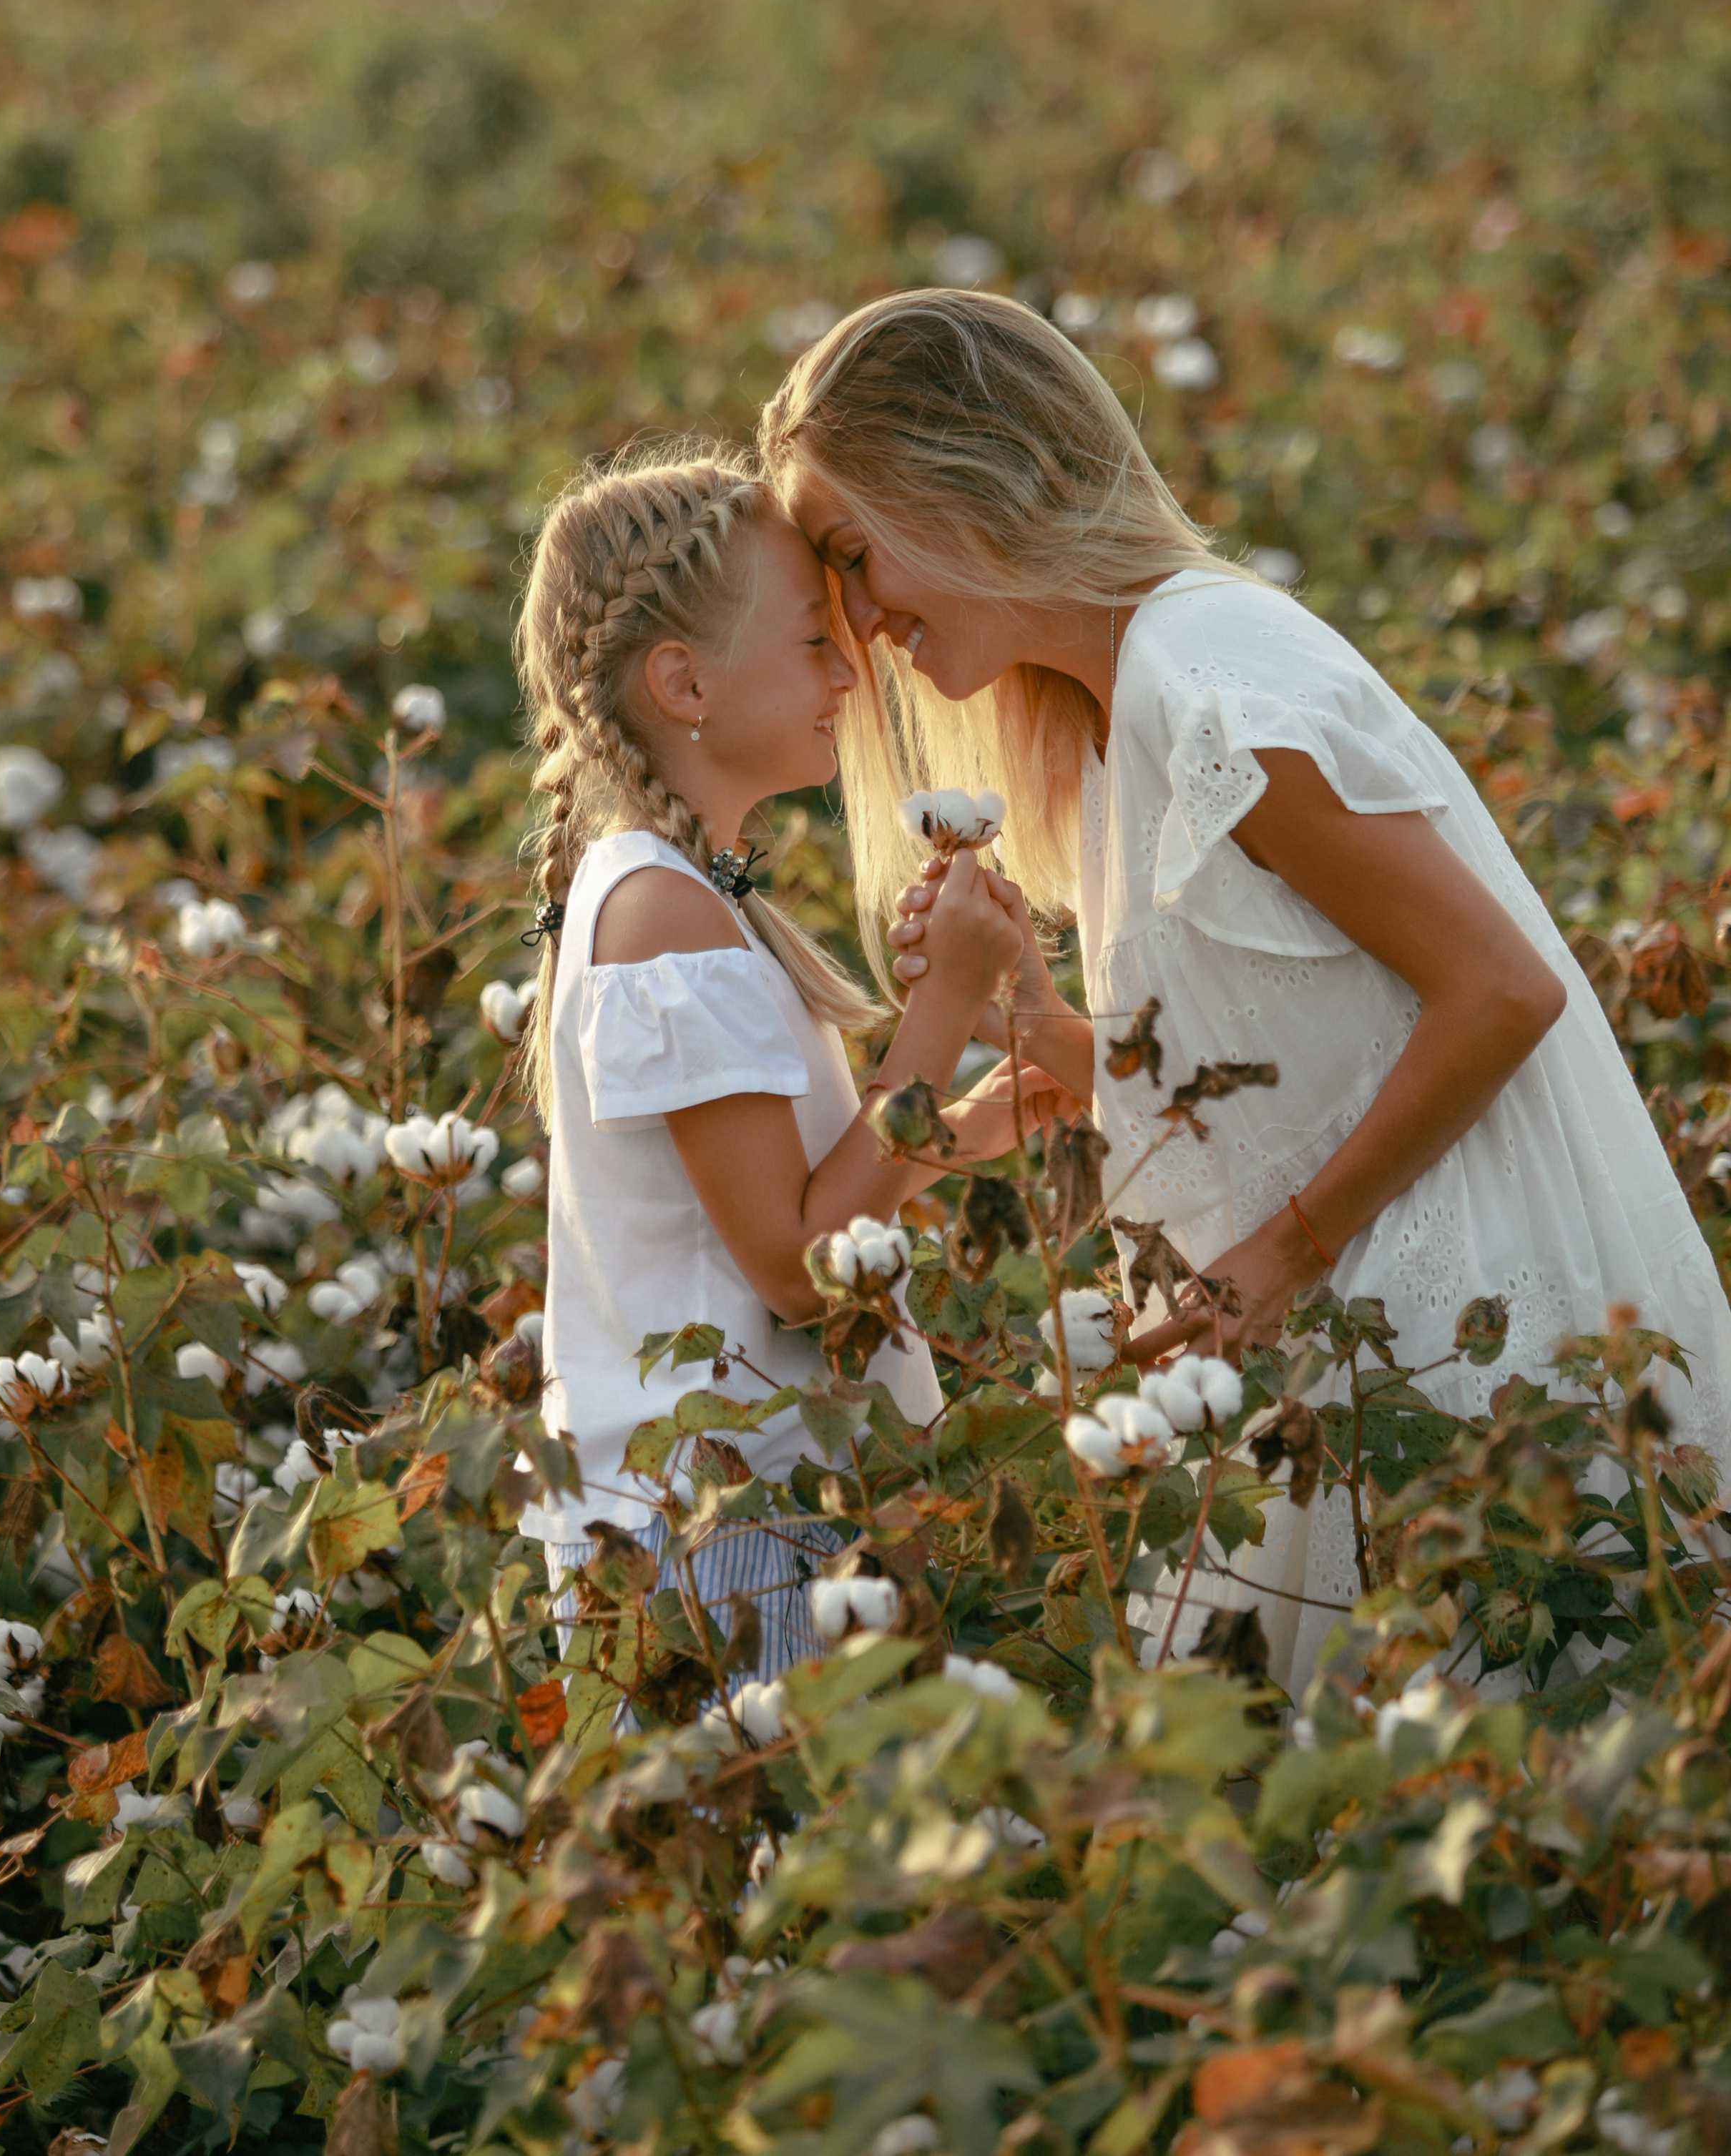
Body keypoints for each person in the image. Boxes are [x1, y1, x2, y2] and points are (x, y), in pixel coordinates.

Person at [759, 288, 1731, 1690]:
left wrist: (1276, 1256)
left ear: (961, 478)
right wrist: (1039, 1028)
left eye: (854, 556)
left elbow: (1499, 996)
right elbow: (1276, 1073)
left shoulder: (1205, 690)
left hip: (1467, 1361)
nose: (859, 622)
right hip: (1354, 1363)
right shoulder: (1113, 709)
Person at [514, 442, 1067, 1688]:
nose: (853, 672)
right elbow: (800, 1271)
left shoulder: (689, 895)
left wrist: (970, 1124)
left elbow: (800, 1200)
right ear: (684, 682)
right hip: (724, 1537)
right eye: (815, 642)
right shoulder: (664, 919)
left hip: (741, 1514)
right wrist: (943, 1009)